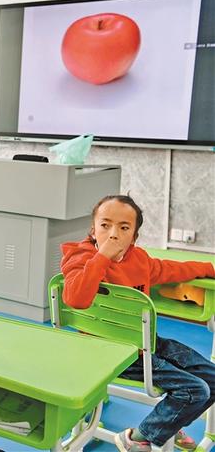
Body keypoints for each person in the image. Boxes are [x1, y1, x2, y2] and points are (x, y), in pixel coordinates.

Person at [60, 194, 215, 452]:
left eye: (124, 228)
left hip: (143, 344)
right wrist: (102, 257)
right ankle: (137, 436)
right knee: (195, 390)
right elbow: (75, 297)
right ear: (93, 229)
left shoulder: (139, 259)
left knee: (213, 378)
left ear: (134, 236)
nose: (113, 234)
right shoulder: (80, 256)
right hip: (105, 351)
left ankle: (168, 422)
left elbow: (171, 269)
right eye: (105, 225)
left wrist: (209, 268)